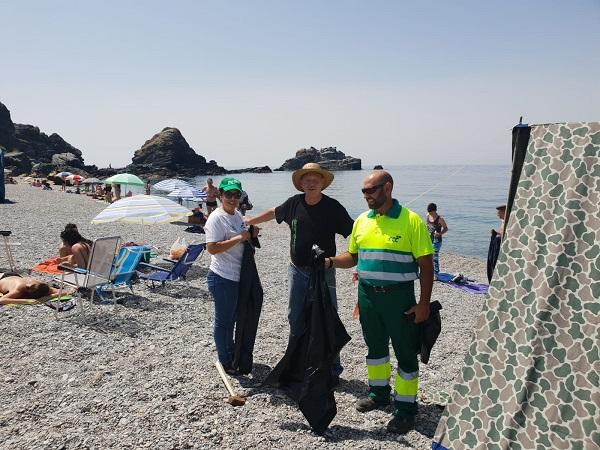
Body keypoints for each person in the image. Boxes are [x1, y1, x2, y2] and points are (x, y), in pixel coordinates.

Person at [326, 170, 434, 434]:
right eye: (363, 192)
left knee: (406, 353)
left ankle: (406, 409)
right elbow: (353, 257)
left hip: (399, 298)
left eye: (371, 190)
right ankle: (379, 394)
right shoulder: (362, 221)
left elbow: (426, 265)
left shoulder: (411, 221)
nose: (366, 196)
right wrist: (328, 261)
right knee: (375, 349)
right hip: (367, 295)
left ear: (388, 188)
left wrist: (424, 304)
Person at [245, 162, 354, 381]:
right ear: (301, 183)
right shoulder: (294, 204)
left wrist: (356, 260)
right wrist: (248, 220)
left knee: (327, 318)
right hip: (296, 271)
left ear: (323, 182)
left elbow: (355, 233)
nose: (311, 182)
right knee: (295, 317)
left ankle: (333, 370)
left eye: (316, 179)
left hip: (324, 272)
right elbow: (273, 212)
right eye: (307, 179)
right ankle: (297, 364)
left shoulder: (333, 207)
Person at [204, 177, 259, 374]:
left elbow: (242, 235)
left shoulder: (236, 214)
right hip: (222, 277)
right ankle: (225, 360)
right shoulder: (216, 218)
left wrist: (251, 233)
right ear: (220, 196)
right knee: (224, 321)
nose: (233, 198)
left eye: (237, 195)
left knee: (234, 318)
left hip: (238, 276)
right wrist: (239, 238)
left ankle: (231, 350)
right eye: (229, 194)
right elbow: (212, 248)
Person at [425, 203, 448, 280]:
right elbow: (427, 227)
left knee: (434, 257)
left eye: (431, 212)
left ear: (435, 211)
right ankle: (429, 271)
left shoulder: (440, 219)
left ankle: (436, 275)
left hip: (437, 241)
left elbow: (446, 228)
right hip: (428, 240)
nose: (430, 214)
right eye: (429, 212)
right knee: (427, 256)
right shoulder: (427, 216)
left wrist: (440, 233)